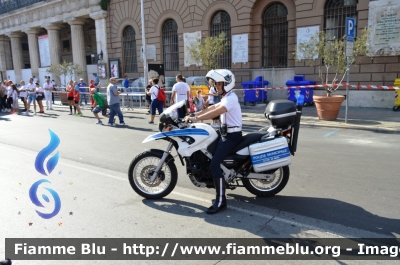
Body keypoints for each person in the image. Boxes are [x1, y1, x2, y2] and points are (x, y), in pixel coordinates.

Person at [184, 69, 242, 214]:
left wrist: (196, 119)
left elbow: (217, 111)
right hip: (225, 134)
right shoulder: (226, 97)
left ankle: (221, 201)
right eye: (216, 83)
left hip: (231, 136)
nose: (216, 86)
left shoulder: (231, 98)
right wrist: (194, 114)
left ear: (227, 84)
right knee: (207, 151)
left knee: (214, 164)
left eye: (219, 83)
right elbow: (212, 107)